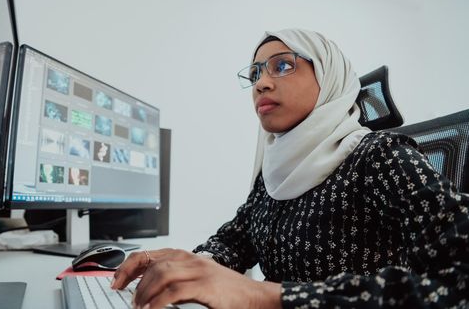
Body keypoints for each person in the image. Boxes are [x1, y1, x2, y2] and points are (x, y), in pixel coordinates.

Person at [111, 28, 469, 308]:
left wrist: (265, 297)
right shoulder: (272, 174)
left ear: (328, 77)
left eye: (282, 65)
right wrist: (191, 264)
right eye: (255, 73)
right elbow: (236, 240)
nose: (261, 83)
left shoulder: (379, 156)